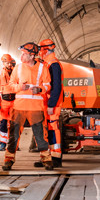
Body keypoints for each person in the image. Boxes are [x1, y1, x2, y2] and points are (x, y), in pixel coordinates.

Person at [3, 42, 52, 171]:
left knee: (40, 135)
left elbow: (48, 85)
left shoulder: (43, 68)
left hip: (36, 108)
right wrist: (20, 87)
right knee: (13, 135)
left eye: (24, 54)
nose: (22, 56)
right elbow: (11, 85)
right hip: (19, 107)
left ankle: (46, 159)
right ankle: (8, 160)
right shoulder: (18, 68)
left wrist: (40, 89)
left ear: (32, 56)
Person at [38, 39, 65, 168]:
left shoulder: (53, 64)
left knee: (53, 128)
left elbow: (56, 87)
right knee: (46, 129)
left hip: (51, 103)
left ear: (46, 50)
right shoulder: (47, 63)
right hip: (47, 102)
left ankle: (55, 158)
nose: (39, 52)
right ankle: (47, 157)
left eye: (41, 49)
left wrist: (51, 104)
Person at [0, 53, 16, 151]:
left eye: (10, 62)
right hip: (4, 102)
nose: (9, 64)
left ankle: (13, 143)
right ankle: (3, 144)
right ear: (3, 63)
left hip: (14, 101)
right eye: (7, 63)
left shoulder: (15, 73)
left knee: (14, 124)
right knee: (3, 123)